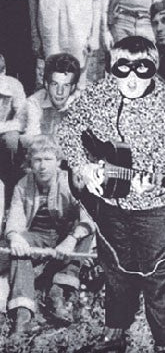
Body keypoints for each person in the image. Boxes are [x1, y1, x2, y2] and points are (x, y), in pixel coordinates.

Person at [56, 36, 165, 353]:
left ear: (154, 68)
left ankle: (164, 345)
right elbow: (68, 129)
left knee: (157, 276)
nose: (131, 79)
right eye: (122, 68)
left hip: (158, 206)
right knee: (114, 268)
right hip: (109, 199)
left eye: (141, 69)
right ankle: (114, 336)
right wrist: (84, 167)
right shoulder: (100, 92)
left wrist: (149, 184)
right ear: (111, 68)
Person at [0, 135, 94, 334]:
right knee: (19, 246)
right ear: (30, 163)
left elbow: (88, 217)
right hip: (38, 236)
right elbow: (15, 217)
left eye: (48, 160)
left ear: (58, 162)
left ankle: (58, 292)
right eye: (37, 160)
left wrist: (71, 240)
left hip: (65, 235)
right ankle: (23, 314)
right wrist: (15, 237)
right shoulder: (23, 184)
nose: (42, 166)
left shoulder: (70, 181)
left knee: (84, 231)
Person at [22, 53, 81, 147]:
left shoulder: (81, 102)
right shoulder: (34, 102)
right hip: (45, 152)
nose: (60, 92)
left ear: (73, 87)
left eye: (66, 85)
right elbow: (31, 140)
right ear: (46, 84)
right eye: (55, 84)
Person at [0, 53, 26, 201]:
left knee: (12, 139)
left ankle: (11, 184)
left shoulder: (13, 85)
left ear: (3, 72)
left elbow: (22, 119)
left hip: (4, 132)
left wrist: (2, 127)